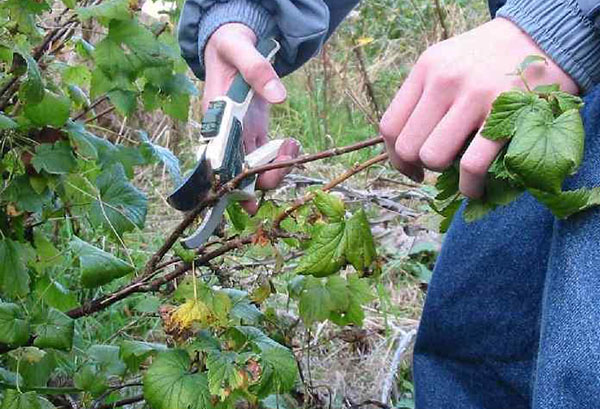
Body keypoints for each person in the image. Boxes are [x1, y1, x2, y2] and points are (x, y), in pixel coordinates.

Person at [177, 0, 600, 407]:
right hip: (540, 85)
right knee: (472, 349)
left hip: (555, 54)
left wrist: (564, 20)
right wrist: (251, 12)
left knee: (584, 368)